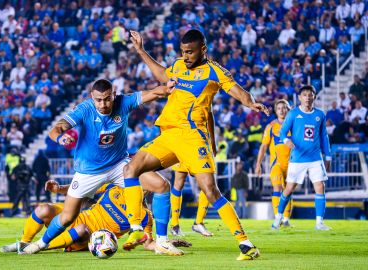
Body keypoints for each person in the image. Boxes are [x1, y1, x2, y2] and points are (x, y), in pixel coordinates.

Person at [123, 29, 269, 260]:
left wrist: (251, 103)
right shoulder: (179, 65)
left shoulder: (214, 71)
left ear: (204, 49)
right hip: (169, 135)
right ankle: (137, 229)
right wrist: (141, 50)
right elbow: (163, 75)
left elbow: (238, 91)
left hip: (193, 137)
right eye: (183, 52)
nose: (186, 56)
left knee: (210, 191)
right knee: (130, 168)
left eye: (190, 52)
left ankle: (246, 245)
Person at [22, 79, 181, 256]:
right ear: (92, 97)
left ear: (114, 95)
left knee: (161, 185)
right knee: (67, 217)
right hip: (88, 172)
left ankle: (162, 241)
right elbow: (57, 128)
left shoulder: (124, 102)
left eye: (107, 99)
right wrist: (61, 138)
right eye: (98, 100)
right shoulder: (85, 109)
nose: (103, 104)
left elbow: (153, 93)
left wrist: (167, 89)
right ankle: (41, 244)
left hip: (119, 165)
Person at [1, 180, 190, 254]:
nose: (144, 185)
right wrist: (60, 189)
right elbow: (84, 187)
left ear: (150, 190)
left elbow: (147, 243)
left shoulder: (145, 217)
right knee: (43, 209)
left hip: (89, 237)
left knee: (82, 229)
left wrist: (165, 243)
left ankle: (40, 247)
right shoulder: (114, 188)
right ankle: (24, 243)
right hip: (78, 218)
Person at [272, 85, 331, 231]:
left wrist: (328, 155)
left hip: (316, 158)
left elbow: (324, 136)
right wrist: (286, 141)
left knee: (320, 187)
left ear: (314, 97)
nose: (308, 97)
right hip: (297, 158)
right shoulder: (293, 114)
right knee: (289, 189)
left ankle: (319, 223)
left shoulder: (320, 114)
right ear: (300, 97)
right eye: (304, 95)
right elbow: (283, 132)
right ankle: (278, 216)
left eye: (310, 95)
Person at [255, 99, 293, 227]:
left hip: (293, 164)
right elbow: (264, 147)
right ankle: (278, 218)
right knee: (277, 188)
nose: (282, 110)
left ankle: (286, 220)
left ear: (288, 109)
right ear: (276, 111)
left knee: (288, 191)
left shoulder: (295, 125)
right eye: (279, 108)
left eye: (284, 108)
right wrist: (258, 164)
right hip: (276, 164)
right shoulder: (271, 126)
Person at [170, 166, 213, 237]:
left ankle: (198, 223)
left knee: (207, 183)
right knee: (179, 182)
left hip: (198, 156)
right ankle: (175, 225)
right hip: (184, 155)